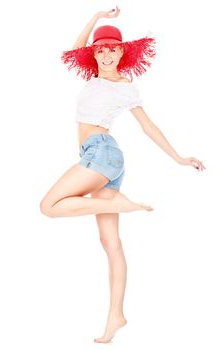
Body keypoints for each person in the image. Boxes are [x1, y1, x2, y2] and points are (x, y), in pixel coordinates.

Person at [40, 6, 206, 343]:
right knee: (110, 243)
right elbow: (74, 49)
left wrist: (178, 158)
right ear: (95, 54)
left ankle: (119, 203)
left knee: (48, 206)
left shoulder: (126, 86)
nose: (105, 54)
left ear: (122, 53)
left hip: (102, 153)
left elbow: (148, 126)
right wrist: (97, 17)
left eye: (112, 49)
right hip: (101, 158)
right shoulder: (94, 78)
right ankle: (116, 316)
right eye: (99, 49)